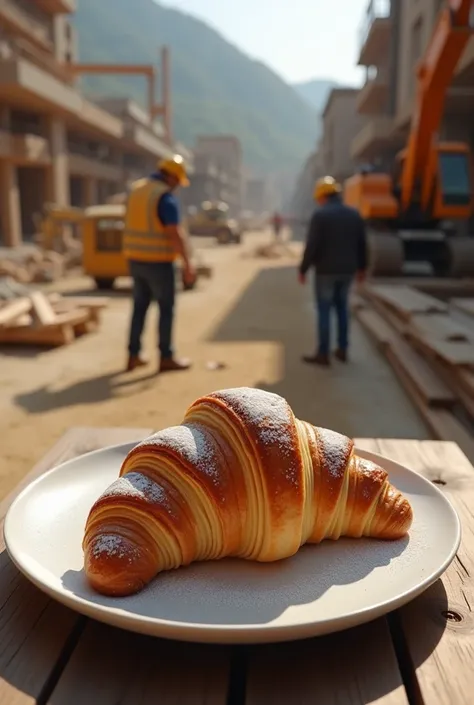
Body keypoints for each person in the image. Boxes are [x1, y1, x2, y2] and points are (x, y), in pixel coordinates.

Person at [123, 154, 195, 374]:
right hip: (159, 262)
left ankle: (133, 355)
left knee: (139, 307)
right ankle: (166, 356)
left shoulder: (137, 190)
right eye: (178, 181)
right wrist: (187, 264)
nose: (177, 187)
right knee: (166, 309)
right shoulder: (164, 197)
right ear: (172, 176)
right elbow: (174, 233)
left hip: (135, 259)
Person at [298, 175, 368, 366]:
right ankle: (343, 349)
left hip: (325, 272)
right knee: (342, 309)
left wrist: (303, 269)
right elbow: (362, 244)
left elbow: (312, 246)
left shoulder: (320, 215)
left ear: (322, 196)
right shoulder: (354, 214)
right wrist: (362, 267)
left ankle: (323, 354)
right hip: (347, 271)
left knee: (324, 311)